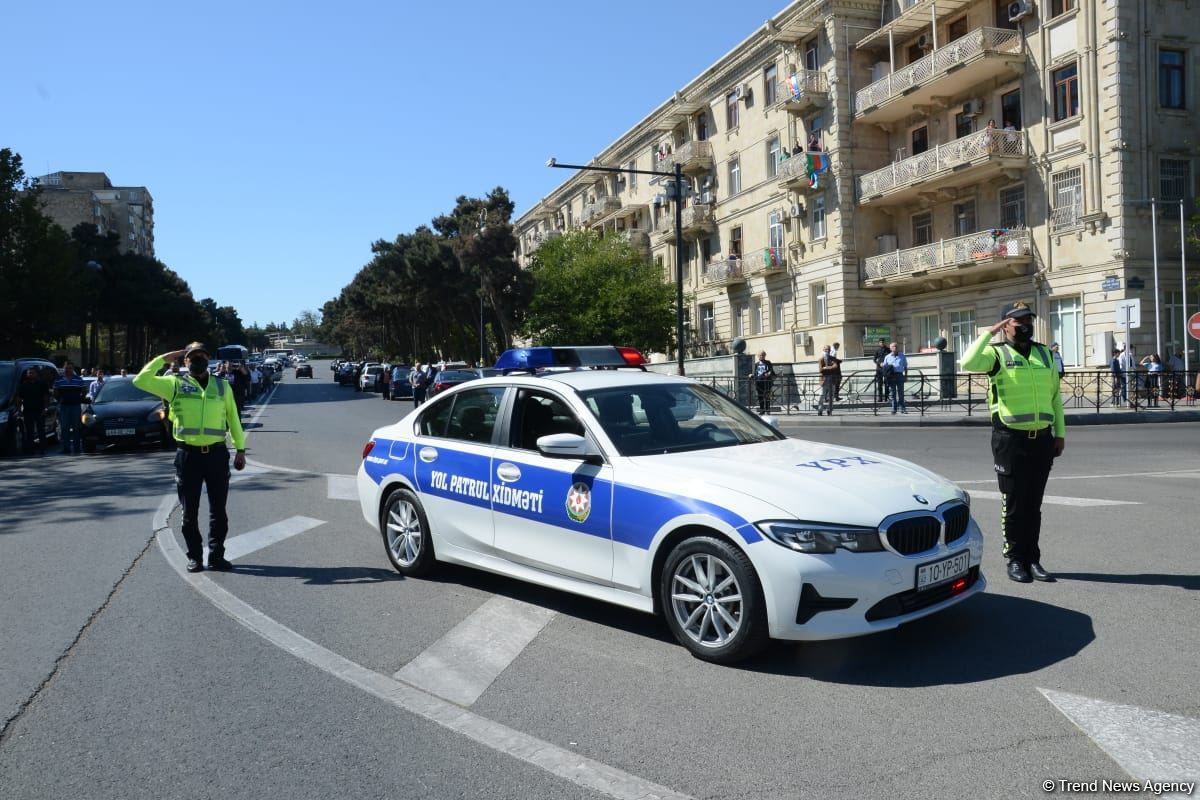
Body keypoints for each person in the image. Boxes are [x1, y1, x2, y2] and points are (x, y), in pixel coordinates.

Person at [961, 301, 1064, 584]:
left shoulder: (1045, 354)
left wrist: (1060, 433)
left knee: (1034, 504)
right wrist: (987, 334)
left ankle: (1033, 558)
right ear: (1005, 324)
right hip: (1010, 439)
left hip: (1042, 439)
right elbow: (967, 361)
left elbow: (1055, 397)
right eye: (1018, 320)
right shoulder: (995, 354)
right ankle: (1015, 559)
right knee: (1014, 503)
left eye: (1028, 319)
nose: (1025, 325)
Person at [134, 343, 247, 573]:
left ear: (208, 359)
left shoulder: (222, 386)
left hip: (216, 454)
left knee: (219, 511)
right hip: (188, 457)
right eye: (192, 357)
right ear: (185, 361)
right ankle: (195, 556)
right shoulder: (174, 384)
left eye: (202, 356)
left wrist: (240, 449)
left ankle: (216, 556)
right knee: (189, 512)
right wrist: (164, 357)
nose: (198, 361)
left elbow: (233, 419)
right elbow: (140, 380)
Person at [54, 363, 87, 455]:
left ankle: (77, 448)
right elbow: (55, 392)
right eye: (66, 368)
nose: (68, 370)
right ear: (64, 369)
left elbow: (84, 390)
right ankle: (66, 448)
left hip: (75, 406)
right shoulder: (59, 379)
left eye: (70, 368)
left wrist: (78, 398)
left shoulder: (78, 379)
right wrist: (61, 400)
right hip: (64, 406)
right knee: (64, 428)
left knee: (76, 427)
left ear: (73, 369)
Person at [17, 367, 49, 455]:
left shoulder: (42, 384)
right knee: (29, 431)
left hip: (40, 410)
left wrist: (45, 408)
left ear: (36, 374)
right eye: (29, 373)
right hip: (28, 411)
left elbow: (46, 397)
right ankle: (30, 450)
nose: (30, 374)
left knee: (41, 430)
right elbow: (19, 399)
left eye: (32, 373)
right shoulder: (24, 385)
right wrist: (19, 410)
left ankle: (42, 449)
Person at [883, 342, 908, 414]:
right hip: (891, 376)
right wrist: (885, 377)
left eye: (896, 346)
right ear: (890, 348)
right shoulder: (887, 357)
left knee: (901, 393)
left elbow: (905, 367)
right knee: (892, 393)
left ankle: (902, 408)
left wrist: (906, 376)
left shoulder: (902, 355)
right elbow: (885, 368)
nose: (895, 347)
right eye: (893, 346)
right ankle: (894, 409)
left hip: (900, 375)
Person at [815, 346, 839, 416]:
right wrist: (829, 368)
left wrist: (826, 368)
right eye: (825, 350)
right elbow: (821, 370)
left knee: (831, 396)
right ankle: (820, 410)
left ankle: (829, 410)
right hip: (824, 380)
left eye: (828, 350)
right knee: (821, 396)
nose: (827, 351)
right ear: (823, 350)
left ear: (830, 351)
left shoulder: (833, 359)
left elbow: (835, 367)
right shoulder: (821, 359)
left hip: (832, 380)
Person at [872, 338, 890, 403]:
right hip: (879, 369)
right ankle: (880, 398)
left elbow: (891, 359)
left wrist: (886, 364)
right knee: (879, 384)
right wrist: (879, 363)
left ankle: (886, 397)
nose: (882, 343)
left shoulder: (888, 350)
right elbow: (874, 359)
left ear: (885, 342)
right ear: (879, 343)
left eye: (883, 342)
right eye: (880, 342)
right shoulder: (877, 350)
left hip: (886, 368)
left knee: (887, 383)